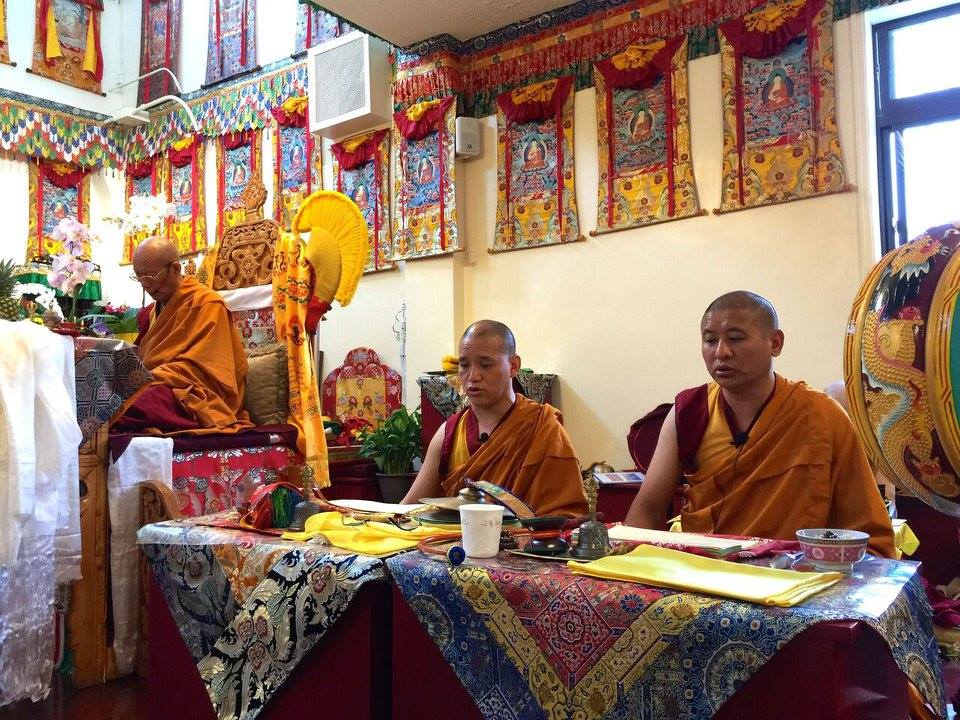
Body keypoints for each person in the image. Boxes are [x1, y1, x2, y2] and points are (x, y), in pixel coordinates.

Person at [624, 291, 896, 557]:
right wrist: (627, 567)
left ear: (775, 343)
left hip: (792, 576)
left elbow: (863, 524)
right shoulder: (689, 411)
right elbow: (648, 509)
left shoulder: (821, 414)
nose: (721, 352)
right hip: (705, 572)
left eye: (736, 339)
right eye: (710, 340)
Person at [402, 320, 587, 518]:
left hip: (526, 547)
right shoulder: (450, 431)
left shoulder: (543, 427)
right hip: (456, 547)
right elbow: (409, 509)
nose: (473, 376)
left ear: (513, 365)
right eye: (464, 365)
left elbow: (565, 514)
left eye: (486, 364)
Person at [112, 236, 251, 435]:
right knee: (111, 401)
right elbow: (146, 357)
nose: (145, 285)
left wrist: (153, 377)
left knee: (132, 407)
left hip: (195, 393)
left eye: (150, 277)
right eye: (139, 277)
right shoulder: (154, 310)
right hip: (158, 384)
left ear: (175, 269)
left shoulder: (207, 303)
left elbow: (206, 368)